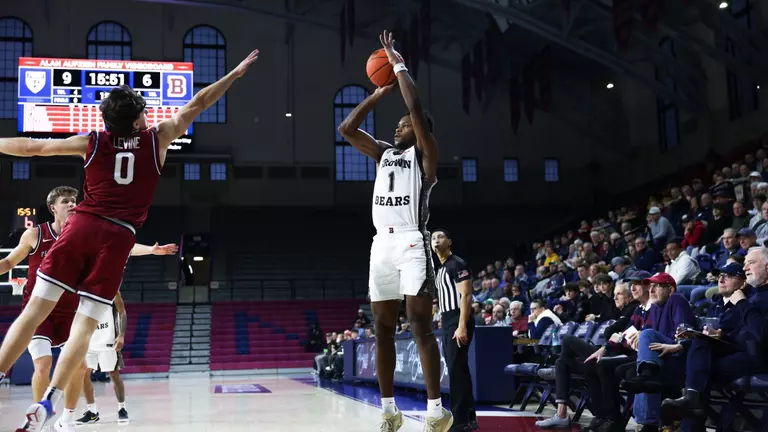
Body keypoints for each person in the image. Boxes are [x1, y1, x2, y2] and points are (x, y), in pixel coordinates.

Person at [0, 49, 259, 431]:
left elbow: (32, 147)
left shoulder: (93, 141)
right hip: (118, 237)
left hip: (82, 227)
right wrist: (235, 74)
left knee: (32, 312)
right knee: (83, 327)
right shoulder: (158, 138)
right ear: (138, 119)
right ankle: (49, 402)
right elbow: (200, 101)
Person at [337, 30, 451, 431]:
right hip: (380, 245)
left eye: (405, 125)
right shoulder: (385, 152)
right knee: (382, 329)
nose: (400, 126)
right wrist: (377, 93)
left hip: (411, 242)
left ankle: (436, 411)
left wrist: (397, 65)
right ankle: (389, 412)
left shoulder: (425, 156)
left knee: (419, 325)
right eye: (399, 124)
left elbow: (417, 109)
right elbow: (347, 130)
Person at [0, 186, 176, 422]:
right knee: (43, 365)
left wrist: (151, 251)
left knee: (80, 368)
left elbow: (123, 247)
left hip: (70, 313)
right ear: (53, 208)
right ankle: (37, 417)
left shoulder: (82, 233)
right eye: (66, 201)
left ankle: (66, 420)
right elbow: (10, 262)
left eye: (74, 200)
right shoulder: (35, 235)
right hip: (41, 313)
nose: (73, 204)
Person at [431, 230, 478, 432]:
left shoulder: (457, 264)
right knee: (459, 370)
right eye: (433, 238)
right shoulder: (440, 269)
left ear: (449, 241)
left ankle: (460, 421)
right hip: (448, 319)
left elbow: (466, 295)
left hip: (458, 318)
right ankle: (468, 418)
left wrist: (461, 325)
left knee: (457, 371)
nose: (436, 241)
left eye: (440, 237)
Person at [77, 291, 129, 425]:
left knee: (114, 374)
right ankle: (92, 412)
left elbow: (122, 311)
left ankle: (122, 408)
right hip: (88, 341)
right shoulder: (82, 290)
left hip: (108, 340)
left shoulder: (112, 290)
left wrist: (121, 335)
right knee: (83, 374)